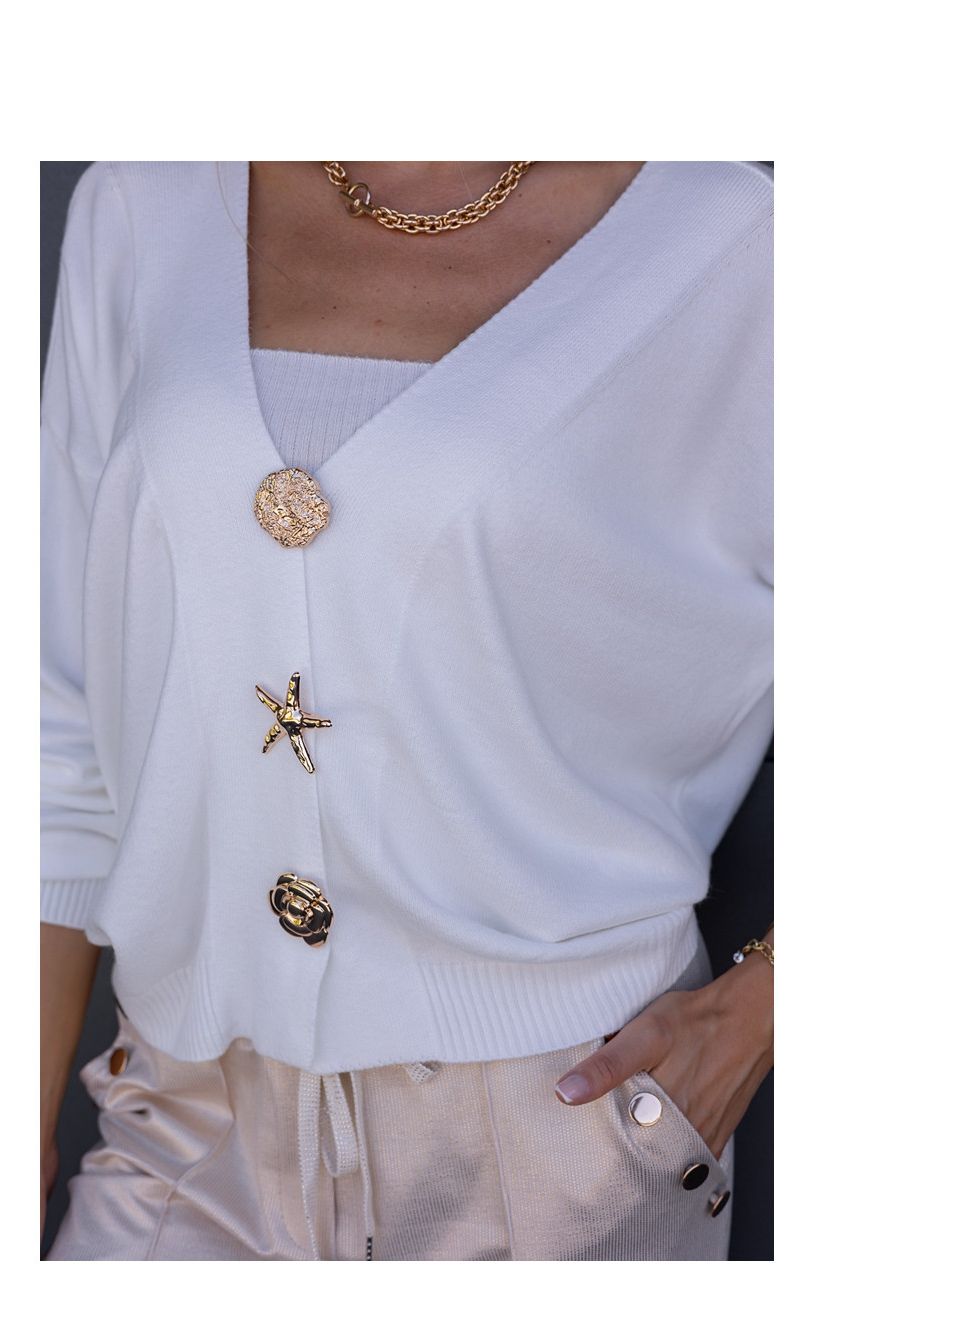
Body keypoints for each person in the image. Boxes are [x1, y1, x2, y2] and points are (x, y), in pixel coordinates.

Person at [41, 160, 773, 1261]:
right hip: (182, 1125)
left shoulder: (738, 246)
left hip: (561, 1144)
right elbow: (55, 714)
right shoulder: (147, 200)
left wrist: (765, 1002)